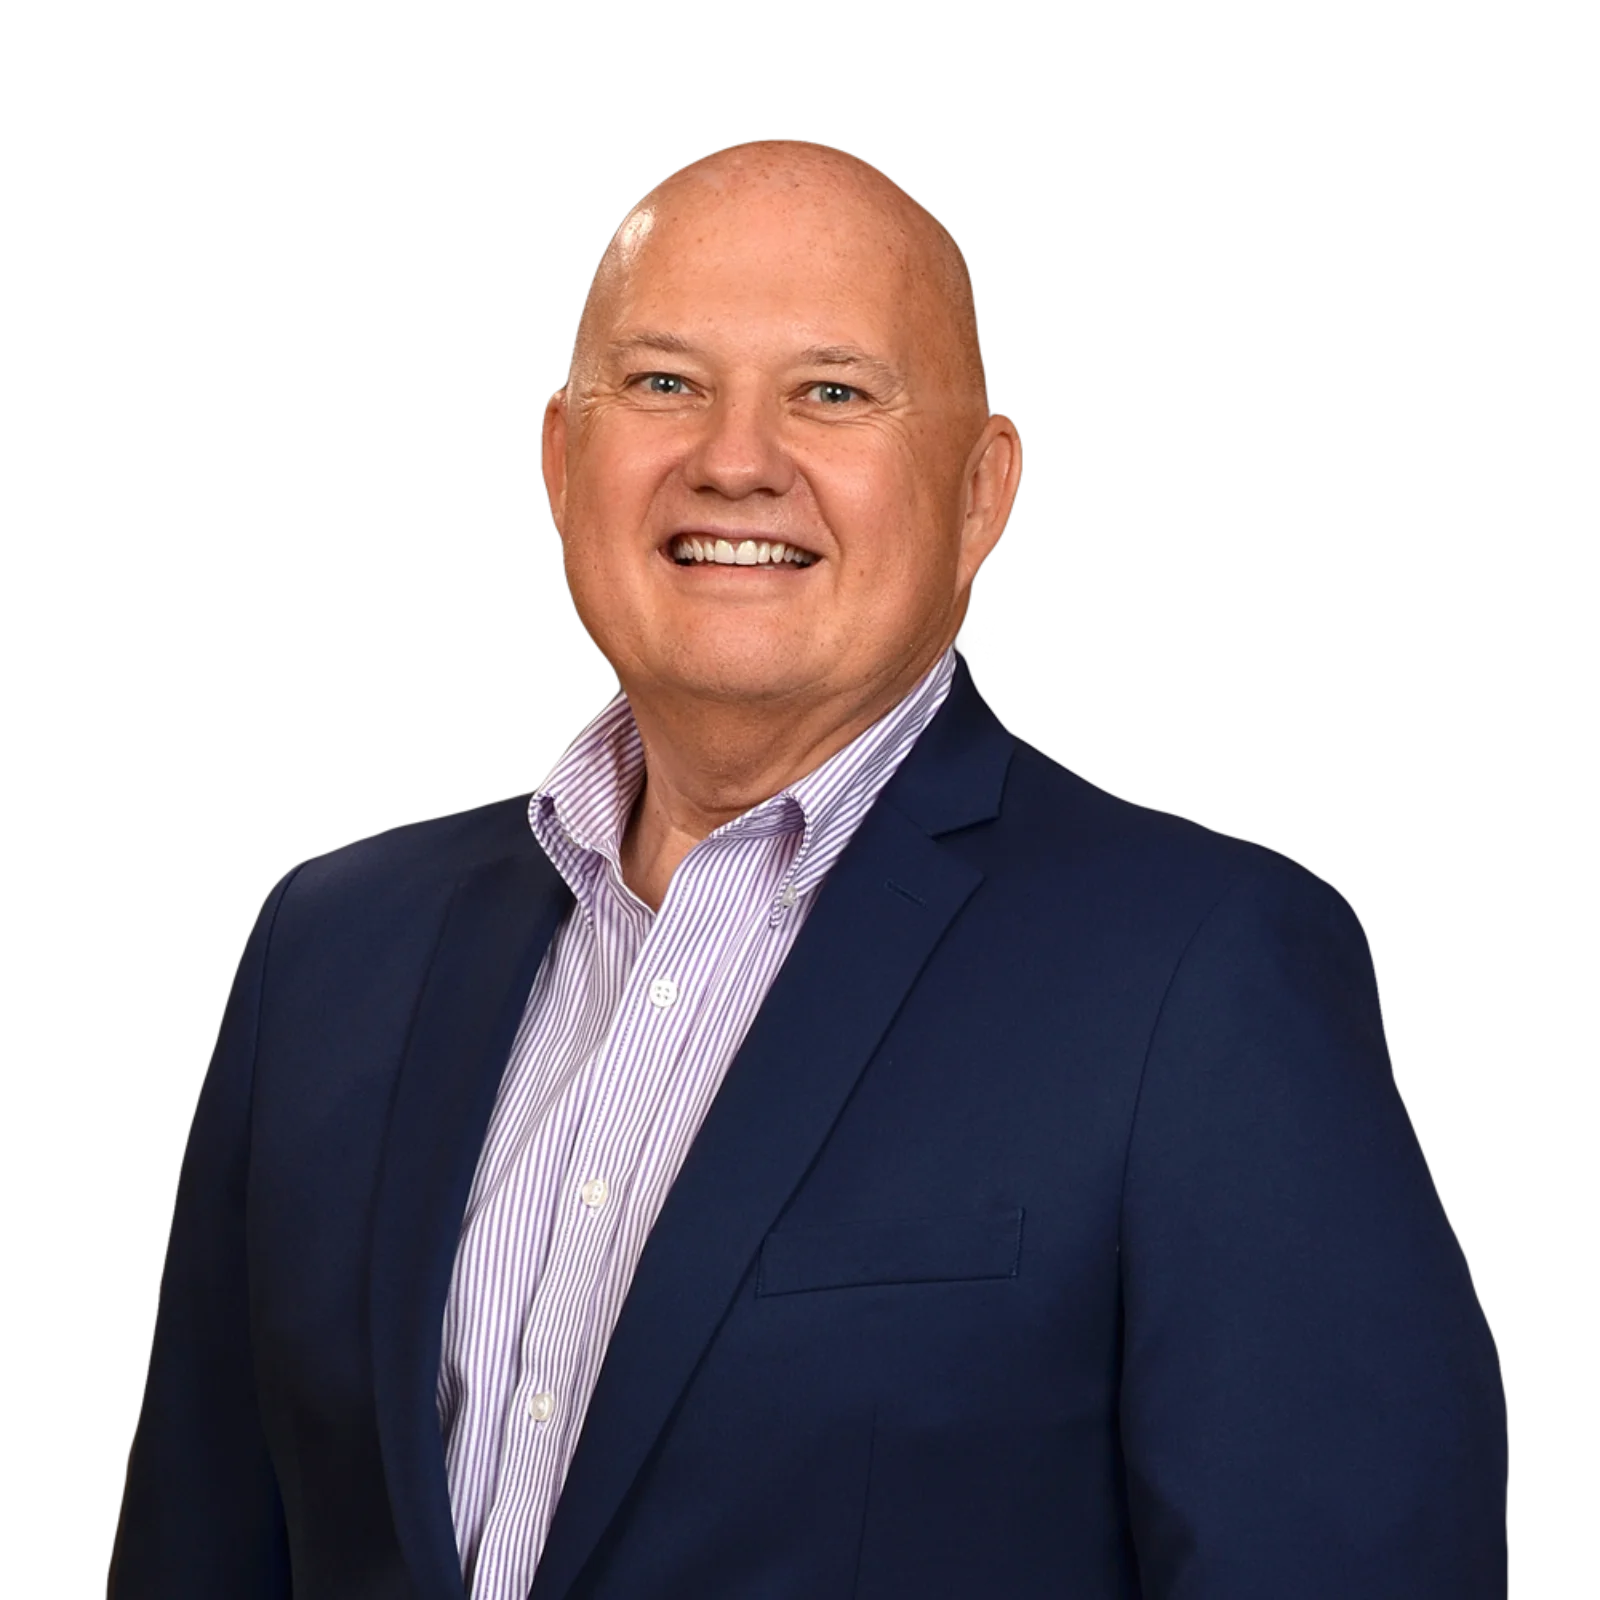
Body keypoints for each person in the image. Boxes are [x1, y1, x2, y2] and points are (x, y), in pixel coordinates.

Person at [109, 139, 1508, 1598]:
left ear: (982, 491)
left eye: (832, 393)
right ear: (559, 459)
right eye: (663, 384)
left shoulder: (1207, 974)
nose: (734, 458)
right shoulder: (326, 951)